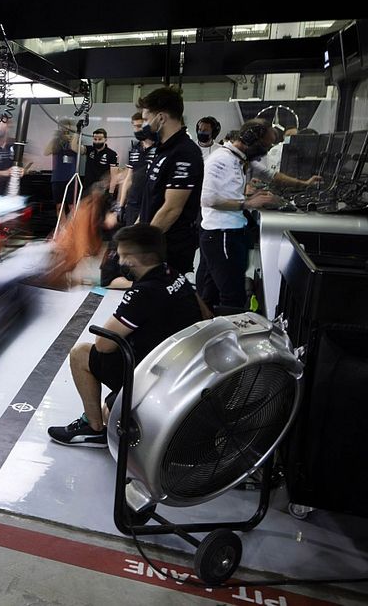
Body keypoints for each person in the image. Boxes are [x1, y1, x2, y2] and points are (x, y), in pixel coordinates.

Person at [47, 224, 206, 447]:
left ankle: (93, 428)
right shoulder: (173, 273)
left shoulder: (143, 293)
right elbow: (205, 314)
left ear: (133, 259)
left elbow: (103, 345)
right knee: (109, 410)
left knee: (81, 353)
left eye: (121, 256)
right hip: (183, 363)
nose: (119, 262)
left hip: (155, 374)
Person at [196, 119, 281, 311]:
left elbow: (226, 194)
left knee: (211, 293)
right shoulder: (221, 159)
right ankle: (230, 337)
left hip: (227, 233)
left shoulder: (237, 158)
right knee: (232, 297)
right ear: (251, 137)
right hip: (222, 234)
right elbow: (208, 199)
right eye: (265, 145)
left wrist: (247, 196)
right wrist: (248, 203)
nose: (265, 151)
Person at [137, 86, 204, 276]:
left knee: (164, 302)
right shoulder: (162, 150)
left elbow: (171, 209)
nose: (144, 125)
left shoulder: (184, 152)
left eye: (146, 119)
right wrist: (135, 231)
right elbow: (152, 197)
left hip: (169, 248)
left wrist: (143, 246)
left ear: (160, 118)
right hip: (156, 243)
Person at [45, 118, 80, 215]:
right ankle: (61, 228)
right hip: (57, 178)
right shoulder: (56, 143)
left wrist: (74, 137)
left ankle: (72, 228)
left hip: (71, 178)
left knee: (72, 206)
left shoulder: (75, 141)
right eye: (63, 130)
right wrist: (56, 138)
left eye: (68, 130)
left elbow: (75, 148)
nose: (66, 133)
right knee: (59, 206)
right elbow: (46, 152)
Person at [84, 128, 118, 192]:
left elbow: (114, 175)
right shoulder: (90, 150)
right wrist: (77, 132)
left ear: (105, 139)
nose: (97, 141)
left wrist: (111, 192)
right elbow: (74, 147)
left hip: (101, 189)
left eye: (100, 139)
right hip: (87, 187)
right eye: (95, 139)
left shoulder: (112, 154)